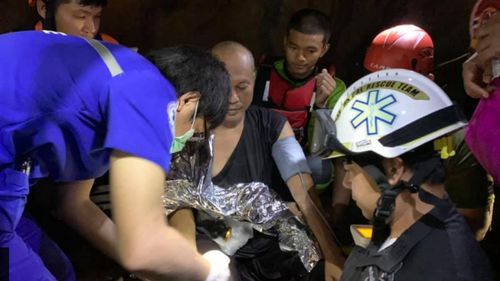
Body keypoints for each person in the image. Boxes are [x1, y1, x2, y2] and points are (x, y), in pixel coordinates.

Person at [0, 31, 232, 281]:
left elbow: (74, 203)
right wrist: (209, 272)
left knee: (61, 271)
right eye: (194, 132)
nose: (185, 143)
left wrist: (151, 269)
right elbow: (142, 246)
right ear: (187, 102)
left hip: (9, 174)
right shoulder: (150, 92)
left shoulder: (117, 83)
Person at [169, 41, 345, 281]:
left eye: (242, 86)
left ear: (254, 78)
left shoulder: (272, 125)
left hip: (265, 244)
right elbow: (180, 203)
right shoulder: (190, 128)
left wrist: (333, 255)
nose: (232, 98)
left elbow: (304, 192)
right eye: (223, 87)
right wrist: (189, 259)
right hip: (211, 241)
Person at [311, 68, 493, 280]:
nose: (347, 183)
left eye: (351, 169)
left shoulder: (439, 268)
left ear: (394, 169)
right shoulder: (398, 234)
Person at [330, 24, 491, 243]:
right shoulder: (362, 117)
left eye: (395, 85)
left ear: (427, 82)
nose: (381, 99)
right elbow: (345, 161)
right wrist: (337, 223)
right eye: (375, 83)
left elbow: (473, 225)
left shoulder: (456, 138)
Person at [252, 8, 346, 150]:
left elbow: (320, 148)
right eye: (294, 47)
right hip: (259, 150)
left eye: (311, 51)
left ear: (324, 49)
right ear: (285, 42)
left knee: (320, 167)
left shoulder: (333, 88)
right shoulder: (260, 75)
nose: (300, 57)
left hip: (304, 157)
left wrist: (321, 107)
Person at [29, 0, 118, 43]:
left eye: (97, 16)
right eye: (81, 16)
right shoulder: (23, 51)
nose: (93, 29)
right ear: (44, 8)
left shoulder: (109, 46)